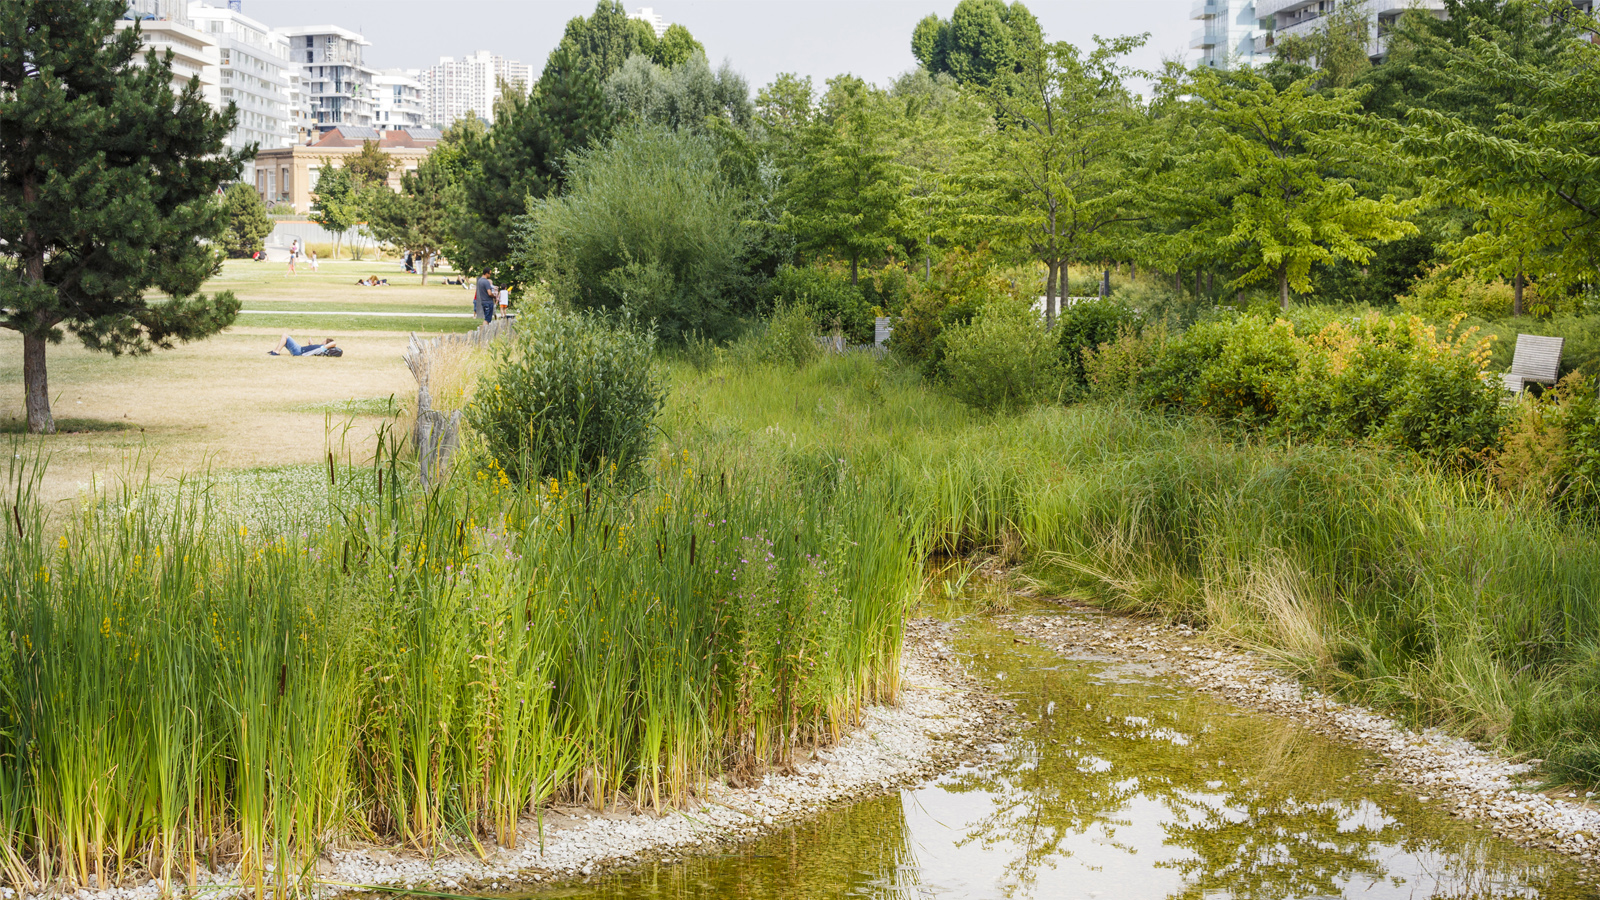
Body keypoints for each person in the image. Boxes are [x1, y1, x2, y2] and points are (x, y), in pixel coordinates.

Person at [269, 334, 336, 356]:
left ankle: (276, 352)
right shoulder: (320, 348)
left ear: (326, 343)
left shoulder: (323, 348)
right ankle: (275, 350)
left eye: (324, 341)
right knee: (285, 338)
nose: (322, 341)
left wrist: (327, 345)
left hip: (299, 351)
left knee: (285, 335)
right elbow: (312, 351)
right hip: (300, 350)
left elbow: (334, 343)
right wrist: (311, 344)